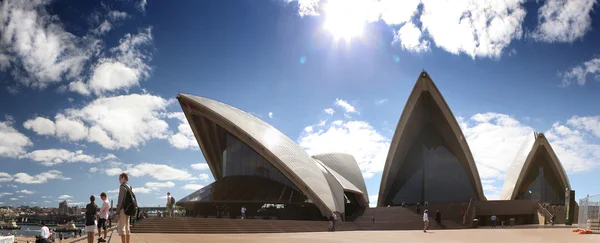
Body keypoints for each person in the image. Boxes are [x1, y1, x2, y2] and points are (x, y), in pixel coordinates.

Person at [117, 172, 132, 243]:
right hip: (128, 209)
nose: (119, 180)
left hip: (123, 209)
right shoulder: (129, 187)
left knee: (122, 227)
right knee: (127, 227)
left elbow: (120, 200)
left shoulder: (122, 187)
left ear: (123, 178)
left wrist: (117, 212)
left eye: (120, 178)